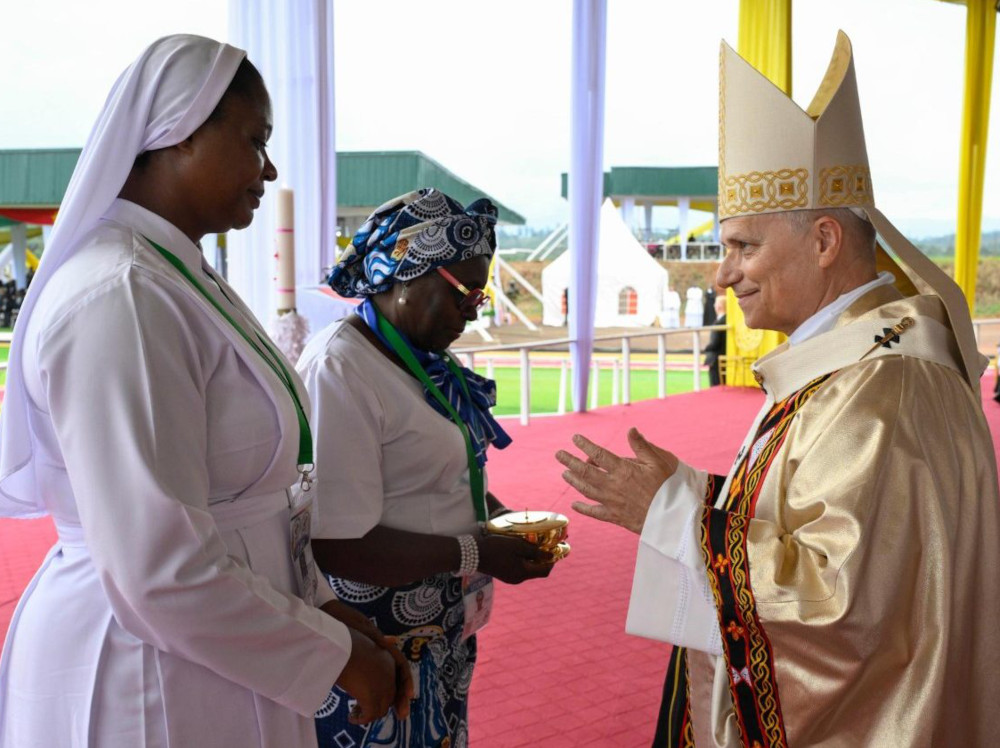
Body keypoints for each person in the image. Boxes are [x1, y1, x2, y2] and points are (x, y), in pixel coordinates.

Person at [556, 32, 1000, 746]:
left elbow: (843, 614)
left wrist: (674, 514)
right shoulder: (854, 359)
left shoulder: (884, 391)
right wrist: (703, 497)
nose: (721, 276)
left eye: (742, 246)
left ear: (824, 241)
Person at [0, 35, 409, 748]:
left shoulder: (174, 273)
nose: (269, 168)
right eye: (255, 141)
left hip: (215, 638)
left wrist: (316, 609)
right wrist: (331, 655)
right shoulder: (120, 295)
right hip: (140, 663)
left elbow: (242, 502)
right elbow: (158, 567)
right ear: (178, 134)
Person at [297, 188, 554, 747]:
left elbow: (447, 473)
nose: (473, 309)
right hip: (379, 641)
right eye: (464, 291)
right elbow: (338, 543)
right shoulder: (341, 370)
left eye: (480, 294)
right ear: (404, 273)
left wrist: (502, 519)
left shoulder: (425, 362)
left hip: (440, 626)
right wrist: (479, 550)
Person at [703, 294, 727, 386]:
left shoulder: (719, 323)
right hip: (722, 357)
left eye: (715, 304)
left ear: (719, 306)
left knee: (716, 384)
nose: (714, 306)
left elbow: (715, 343)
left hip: (716, 359)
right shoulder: (726, 320)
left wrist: (705, 349)